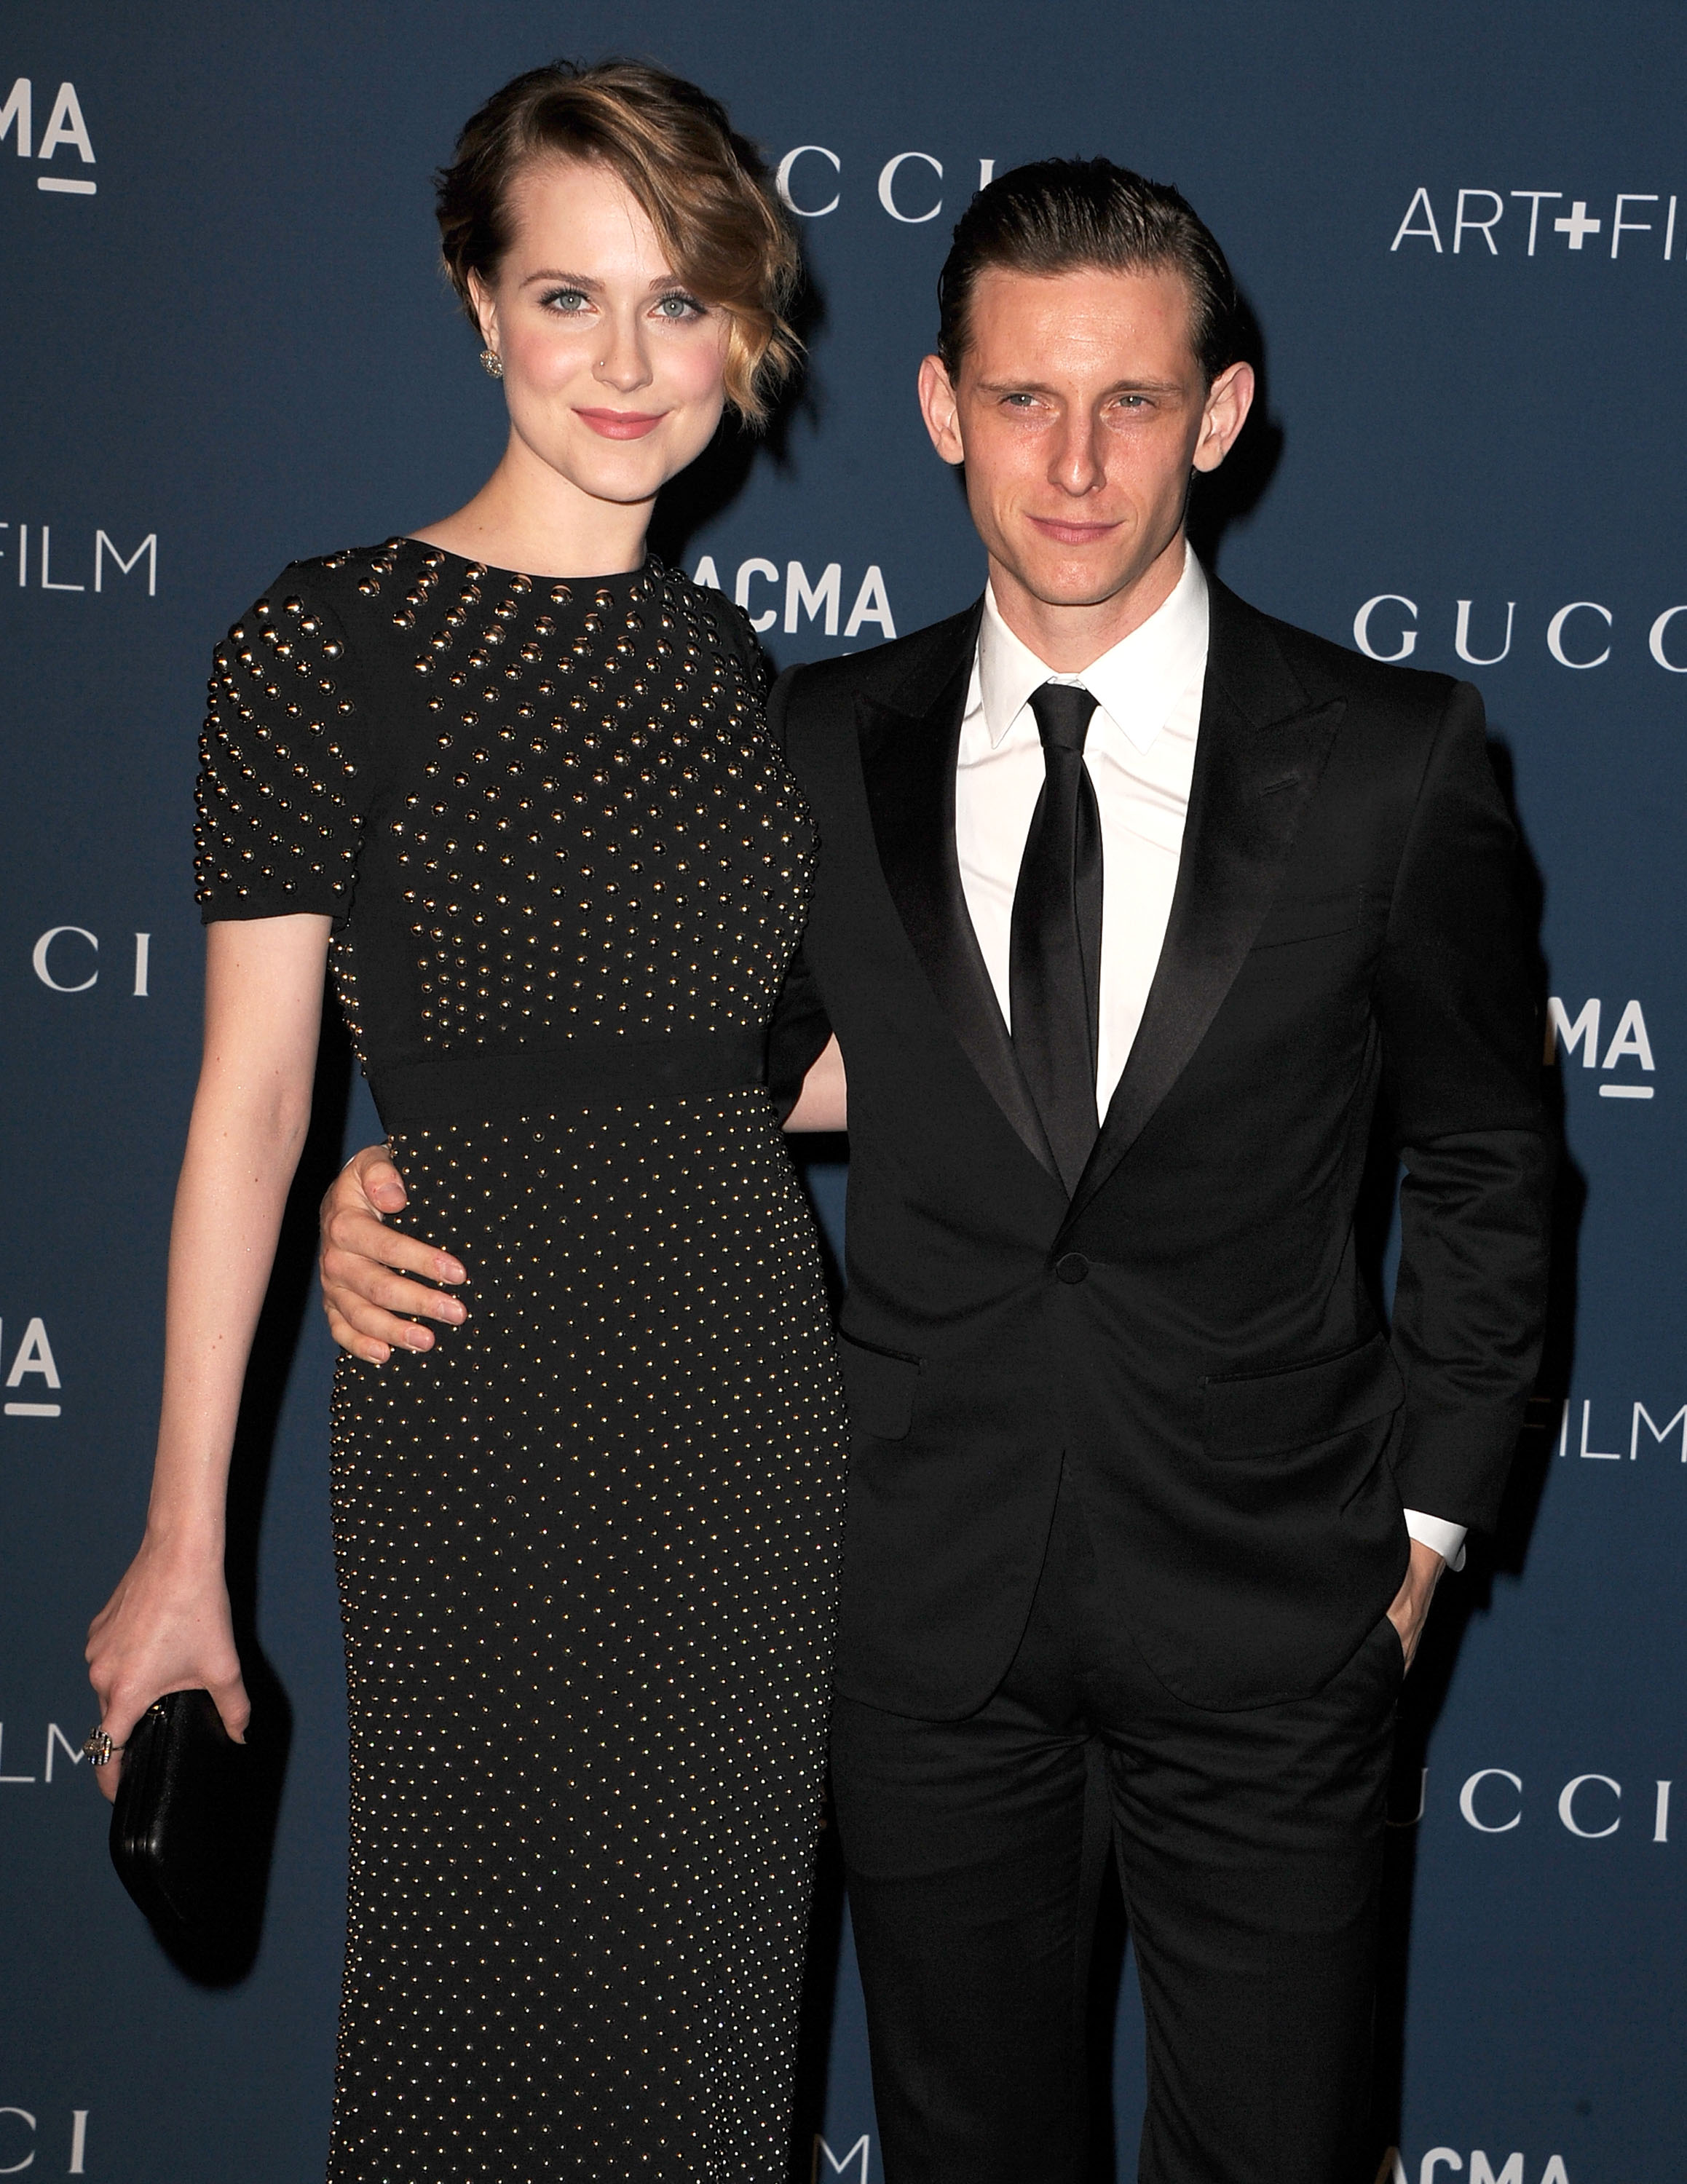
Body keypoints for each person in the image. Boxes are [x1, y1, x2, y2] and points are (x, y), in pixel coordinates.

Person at [318, 160, 1554, 2183]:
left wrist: (1419, 1548)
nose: (1074, 464)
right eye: (1024, 401)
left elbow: (1498, 1164)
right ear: (938, 407)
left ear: (1219, 417)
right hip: (915, 1623)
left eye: (1133, 403)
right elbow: (709, 1069)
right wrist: (377, 1185)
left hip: (1275, 1618)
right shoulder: (814, 737)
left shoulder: (1394, 755)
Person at [84, 58, 852, 2183]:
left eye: (679, 301)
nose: (627, 360)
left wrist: (1249, 1023)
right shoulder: (325, 643)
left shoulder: (734, 670)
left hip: (746, 1405)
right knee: (468, 1996)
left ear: (744, 332)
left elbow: (772, 1068)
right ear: (476, 303)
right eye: (568, 295)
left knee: (708, 2047)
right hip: (474, 1389)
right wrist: (179, 1547)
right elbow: (252, 1104)